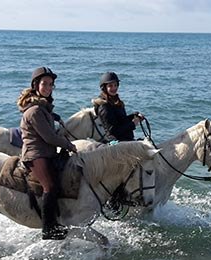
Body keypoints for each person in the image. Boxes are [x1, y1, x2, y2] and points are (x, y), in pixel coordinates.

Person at [18, 66, 77, 240]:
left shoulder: (42, 108)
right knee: (49, 186)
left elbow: (46, 118)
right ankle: (48, 228)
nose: (48, 87)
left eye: (51, 84)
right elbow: (49, 137)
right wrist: (69, 145)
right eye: (45, 84)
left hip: (46, 152)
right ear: (36, 85)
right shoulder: (35, 110)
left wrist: (55, 116)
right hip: (35, 154)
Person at [91, 72, 144, 143]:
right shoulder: (104, 107)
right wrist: (133, 124)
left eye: (115, 85)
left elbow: (120, 121)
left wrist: (134, 116)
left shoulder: (114, 101)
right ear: (104, 88)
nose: (114, 88)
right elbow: (114, 132)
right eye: (110, 86)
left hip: (125, 139)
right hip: (116, 143)